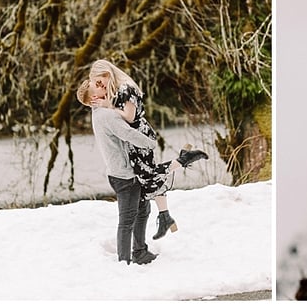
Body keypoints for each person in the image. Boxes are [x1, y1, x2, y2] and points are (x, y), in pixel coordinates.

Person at [86, 59, 209, 241]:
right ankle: (164, 216)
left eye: (99, 81)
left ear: (107, 73)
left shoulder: (126, 88)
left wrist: (108, 106)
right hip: (135, 138)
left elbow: (130, 116)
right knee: (148, 178)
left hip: (139, 137)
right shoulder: (118, 90)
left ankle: (183, 161)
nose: (100, 85)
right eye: (97, 84)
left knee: (148, 175)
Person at [78, 79, 160, 265]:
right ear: (93, 98)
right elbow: (128, 134)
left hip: (121, 172)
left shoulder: (100, 113)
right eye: (97, 86)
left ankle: (140, 252)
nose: (102, 85)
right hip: (125, 175)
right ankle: (125, 262)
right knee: (127, 219)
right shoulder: (107, 116)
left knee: (143, 210)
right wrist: (151, 143)